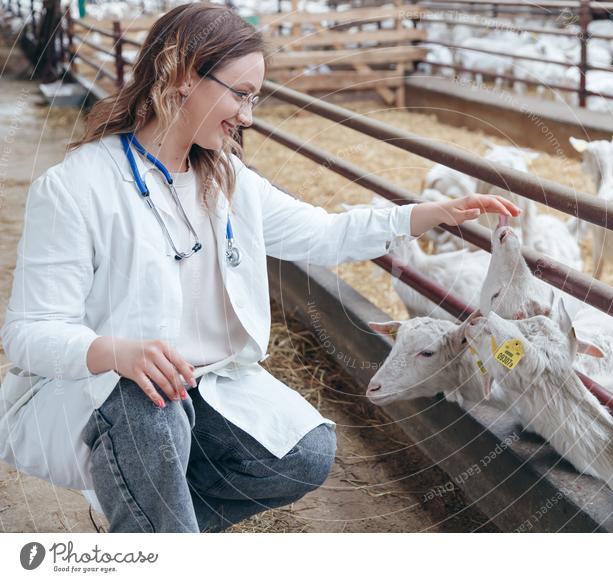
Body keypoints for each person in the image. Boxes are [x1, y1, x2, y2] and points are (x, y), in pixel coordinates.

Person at [0, 3, 520, 533]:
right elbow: (27, 333)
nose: (247, 116)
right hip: (112, 394)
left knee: (306, 453)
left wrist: (423, 216)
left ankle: (148, 533)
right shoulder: (77, 187)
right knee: (148, 406)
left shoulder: (227, 179)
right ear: (182, 75)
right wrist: (115, 351)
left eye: (255, 99)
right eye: (240, 94)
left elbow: (322, 233)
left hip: (201, 388)